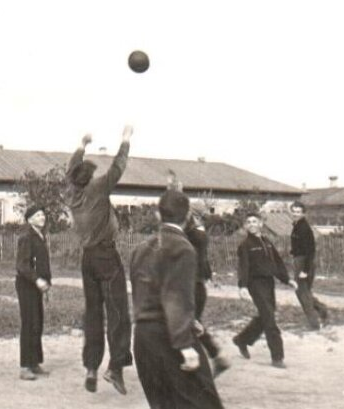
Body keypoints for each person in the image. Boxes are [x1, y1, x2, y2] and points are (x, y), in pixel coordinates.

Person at [129, 190, 224, 409]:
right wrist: (185, 345)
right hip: (169, 337)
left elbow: (146, 295)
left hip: (143, 339)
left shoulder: (140, 249)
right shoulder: (183, 248)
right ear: (188, 216)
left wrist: (191, 322)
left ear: (157, 215)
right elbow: (174, 297)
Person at [66, 126, 133, 395]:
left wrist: (81, 145)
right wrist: (126, 140)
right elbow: (118, 167)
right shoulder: (97, 188)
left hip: (87, 260)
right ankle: (115, 367)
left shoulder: (71, 193)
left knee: (93, 313)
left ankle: (91, 366)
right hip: (106, 255)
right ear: (90, 176)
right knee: (118, 312)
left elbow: (71, 168)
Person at [233, 212, 297, 368]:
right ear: (245, 226)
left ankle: (242, 339)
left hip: (269, 283)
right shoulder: (245, 245)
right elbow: (244, 267)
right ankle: (277, 357)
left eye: (255, 221)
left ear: (261, 224)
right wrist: (242, 286)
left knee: (265, 316)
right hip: (255, 284)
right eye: (248, 222)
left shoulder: (267, 242)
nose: (252, 224)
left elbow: (277, 263)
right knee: (269, 318)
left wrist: (287, 279)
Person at [184, 214, 230, 377]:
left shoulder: (196, 236)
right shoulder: (197, 237)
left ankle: (200, 368)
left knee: (188, 326)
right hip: (196, 287)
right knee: (193, 325)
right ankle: (216, 356)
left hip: (191, 287)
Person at [15, 205, 52, 381]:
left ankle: (34, 362)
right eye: (38, 215)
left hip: (37, 286)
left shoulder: (40, 236)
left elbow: (42, 263)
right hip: (27, 285)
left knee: (37, 323)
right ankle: (25, 367)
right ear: (29, 219)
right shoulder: (27, 237)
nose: (42, 217)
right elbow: (22, 265)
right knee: (29, 324)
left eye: (43, 214)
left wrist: (46, 283)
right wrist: (37, 280)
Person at [290, 201, 329, 330]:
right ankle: (322, 310)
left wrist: (305, 270)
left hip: (304, 263)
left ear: (303, 213)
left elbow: (310, 250)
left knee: (302, 293)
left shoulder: (304, 228)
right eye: (294, 211)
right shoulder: (297, 226)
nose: (295, 214)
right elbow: (299, 246)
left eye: (298, 212)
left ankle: (314, 324)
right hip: (299, 261)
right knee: (304, 292)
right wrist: (292, 252)